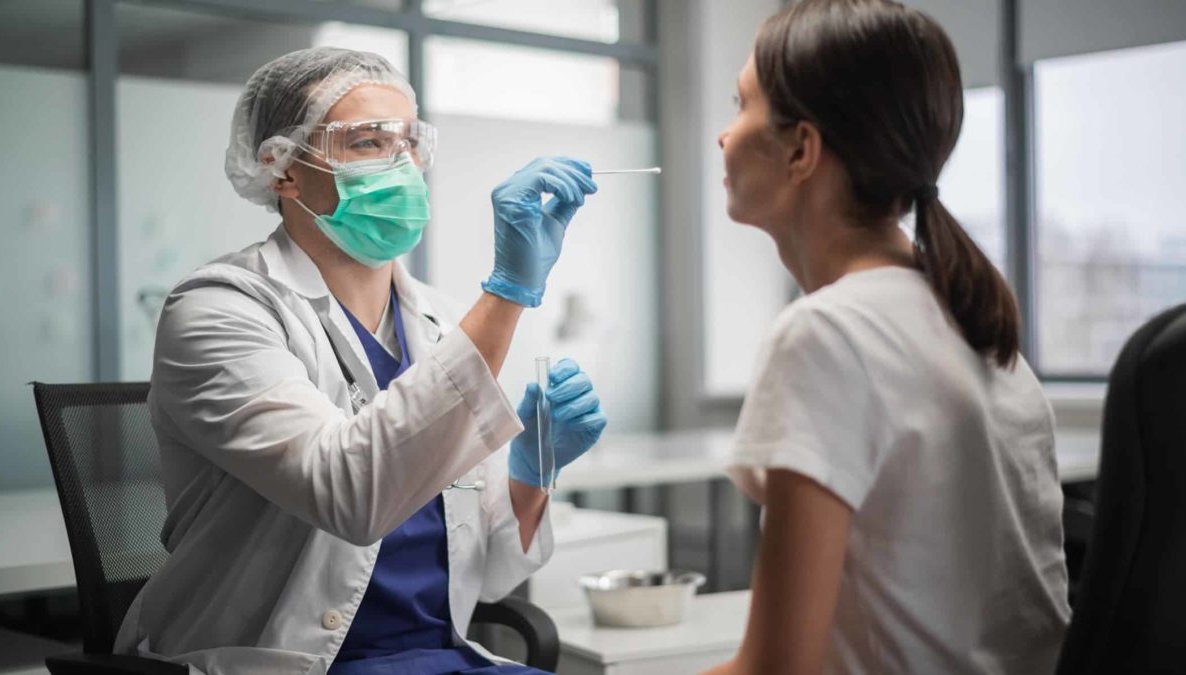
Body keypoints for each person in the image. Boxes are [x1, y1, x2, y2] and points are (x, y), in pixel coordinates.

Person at [114, 47, 608, 675]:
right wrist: (509, 291)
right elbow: (351, 497)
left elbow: (488, 581)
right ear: (281, 167)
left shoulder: (443, 324)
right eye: (369, 143)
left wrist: (534, 471)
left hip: (439, 659)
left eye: (409, 143)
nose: (402, 166)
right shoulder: (217, 311)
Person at [703, 2, 1069, 673]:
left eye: (741, 104)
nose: (723, 136)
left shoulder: (827, 334)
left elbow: (775, 669)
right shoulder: (975, 322)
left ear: (801, 149)